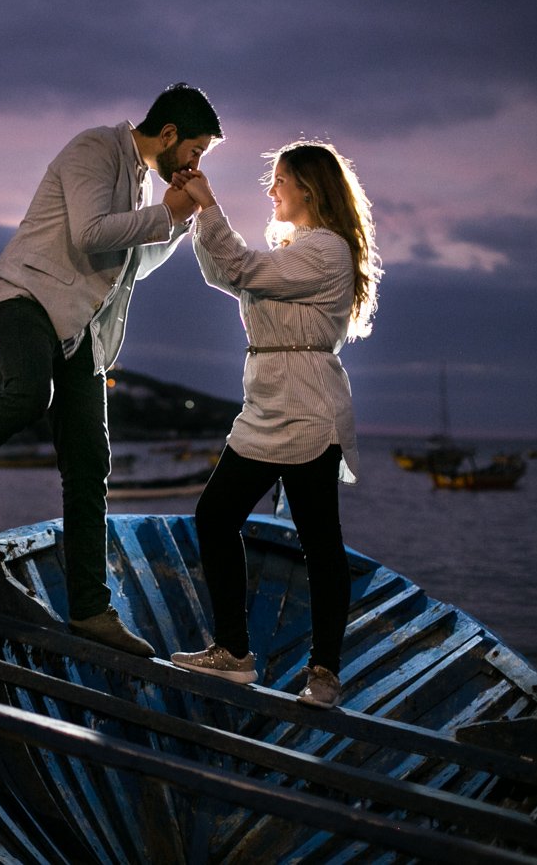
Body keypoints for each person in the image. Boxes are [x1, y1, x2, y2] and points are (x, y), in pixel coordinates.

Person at [0, 83, 223, 656]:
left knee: (91, 460)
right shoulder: (94, 149)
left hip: (81, 329)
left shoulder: (142, 181)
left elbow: (133, 263)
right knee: (28, 395)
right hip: (25, 297)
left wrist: (180, 220)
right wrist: (165, 210)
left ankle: (91, 610)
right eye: (195, 151)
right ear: (168, 135)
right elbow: (90, 234)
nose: (193, 164)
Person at [168, 140, 382, 707]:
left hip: (309, 406)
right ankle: (234, 654)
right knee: (215, 516)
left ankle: (325, 671)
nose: (272, 191)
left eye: (280, 180)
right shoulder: (291, 251)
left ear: (308, 189)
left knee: (319, 541)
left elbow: (238, 266)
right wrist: (196, 210)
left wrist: (209, 203)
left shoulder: (326, 251)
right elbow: (226, 273)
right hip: (266, 405)